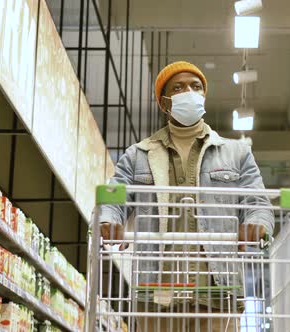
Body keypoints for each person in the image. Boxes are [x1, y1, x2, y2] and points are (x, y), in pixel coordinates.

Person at [97, 61, 274, 331]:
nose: (189, 91)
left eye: (196, 86)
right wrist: (108, 219)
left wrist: (257, 224)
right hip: (156, 293)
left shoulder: (237, 154)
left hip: (217, 292)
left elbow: (257, 203)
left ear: (203, 95)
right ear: (164, 102)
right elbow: (114, 195)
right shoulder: (137, 155)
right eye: (178, 87)